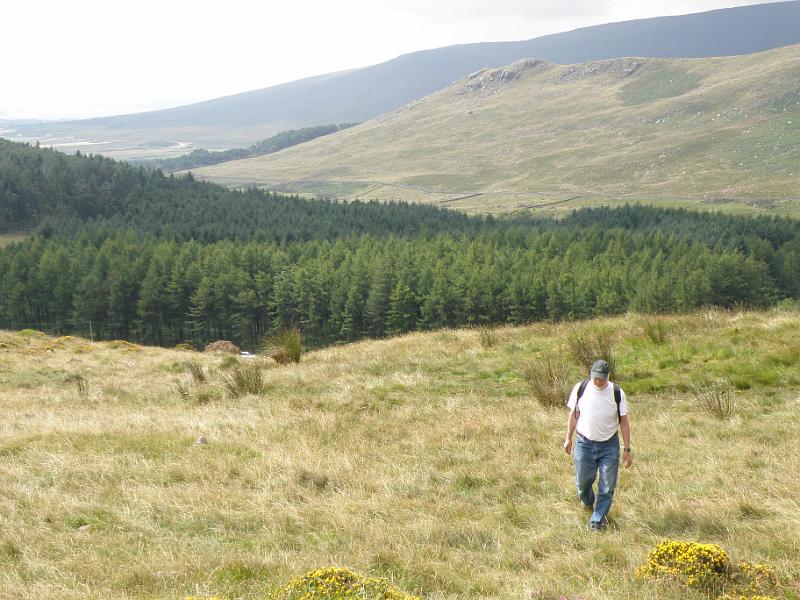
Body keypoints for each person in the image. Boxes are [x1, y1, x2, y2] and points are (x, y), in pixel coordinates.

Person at [563, 359, 632, 530]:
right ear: (591, 374)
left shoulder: (617, 393)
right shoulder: (581, 389)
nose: (598, 381)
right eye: (595, 377)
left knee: (607, 485)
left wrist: (627, 449)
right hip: (584, 443)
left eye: (602, 378)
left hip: (609, 446)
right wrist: (568, 438)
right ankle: (587, 501)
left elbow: (624, 422)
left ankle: (597, 519)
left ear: (608, 376)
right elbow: (574, 415)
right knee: (582, 483)